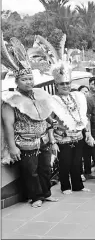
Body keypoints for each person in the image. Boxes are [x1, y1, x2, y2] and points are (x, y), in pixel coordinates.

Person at [1, 36, 58, 208]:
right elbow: (8, 125)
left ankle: (46, 194)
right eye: (24, 80)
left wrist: (52, 124)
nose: (29, 82)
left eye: (30, 79)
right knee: (30, 172)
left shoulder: (39, 94)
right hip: (25, 143)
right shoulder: (10, 101)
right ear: (17, 81)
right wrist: (12, 147)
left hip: (43, 140)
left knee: (45, 169)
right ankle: (35, 197)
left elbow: (43, 114)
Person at [50, 62, 93, 194]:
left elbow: (83, 117)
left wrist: (88, 133)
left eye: (67, 83)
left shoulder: (76, 97)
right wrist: (52, 141)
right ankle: (65, 187)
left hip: (78, 136)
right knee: (65, 163)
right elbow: (49, 122)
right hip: (62, 138)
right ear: (56, 86)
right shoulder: (52, 100)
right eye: (62, 84)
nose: (65, 86)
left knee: (77, 163)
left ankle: (78, 186)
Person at [78, 85, 95, 181]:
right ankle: (80, 173)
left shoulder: (89, 103)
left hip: (89, 131)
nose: (85, 93)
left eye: (86, 92)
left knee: (88, 153)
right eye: (82, 91)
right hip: (79, 131)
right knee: (80, 154)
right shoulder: (76, 104)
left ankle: (88, 172)